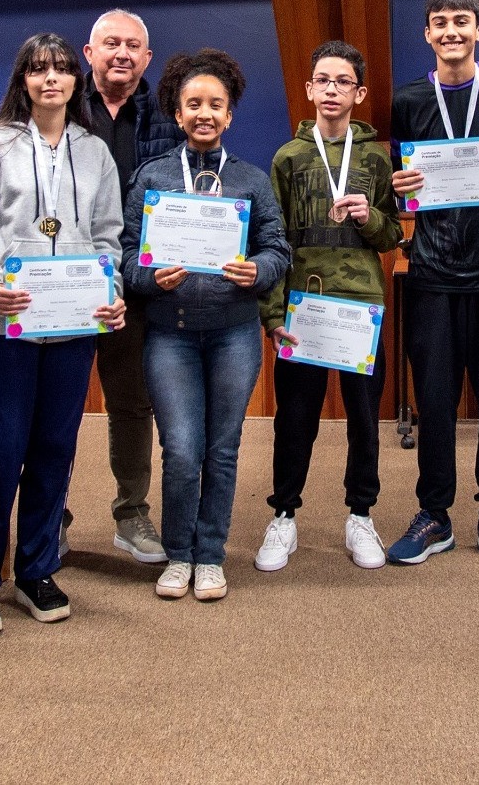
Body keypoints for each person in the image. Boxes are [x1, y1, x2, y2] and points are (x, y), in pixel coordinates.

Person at [0, 9, 183, 565]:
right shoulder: (26, 133)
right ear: (90, 55)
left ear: (147, 58)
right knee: (49, 418)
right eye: (111, 44)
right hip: (37, 303)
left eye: (133, 45)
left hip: (123, 294)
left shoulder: (168, 123)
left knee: (131, 405)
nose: (122, 53)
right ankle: (52, 520)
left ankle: (131, 514)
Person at [0, 33, 127, 636]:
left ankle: (36, 570)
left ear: (78, 81)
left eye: (61, 69)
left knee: (55, 450)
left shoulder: (95, 152)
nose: (50, 78)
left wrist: (113, 295)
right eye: (37, 69)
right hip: (6, 321)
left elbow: (109, 240)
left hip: (74, 327)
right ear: (21, 79)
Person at [121, 49, 290, 602]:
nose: (204, 114)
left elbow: (277, 250)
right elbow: (125, 257)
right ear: (177, 110)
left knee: (222, 448)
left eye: (215, 105)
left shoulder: (249, 178)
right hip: (170, 333)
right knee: (180, 449)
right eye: (194, 104)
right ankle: (179, 553)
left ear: (230, 115)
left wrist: (256, 271)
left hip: (234, 333)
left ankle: (211, 554)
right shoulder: (154, 176)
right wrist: (150, 277)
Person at [386, 0, 479, 571]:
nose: (451, 31)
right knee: (436, 398)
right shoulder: (409, 99)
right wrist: (400, 193)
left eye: (462, 21)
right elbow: (402, 183)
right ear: (426, 33)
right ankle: (434, 514)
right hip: (433, 272)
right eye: (440, 22)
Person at [255, 40, 402, 572]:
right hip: (303, 310)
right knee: (295, 419)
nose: (333, 89)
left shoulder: (376, 158)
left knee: (364, 419)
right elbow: (272, 243)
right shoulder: (288, 158)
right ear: (309, 88)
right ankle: (284, 517)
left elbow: (390, 237)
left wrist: (368, 217)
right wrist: (272, 316)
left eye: (344, 82)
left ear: (359, 93)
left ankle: (361, 513)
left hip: (360, 308)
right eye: (324, 80)